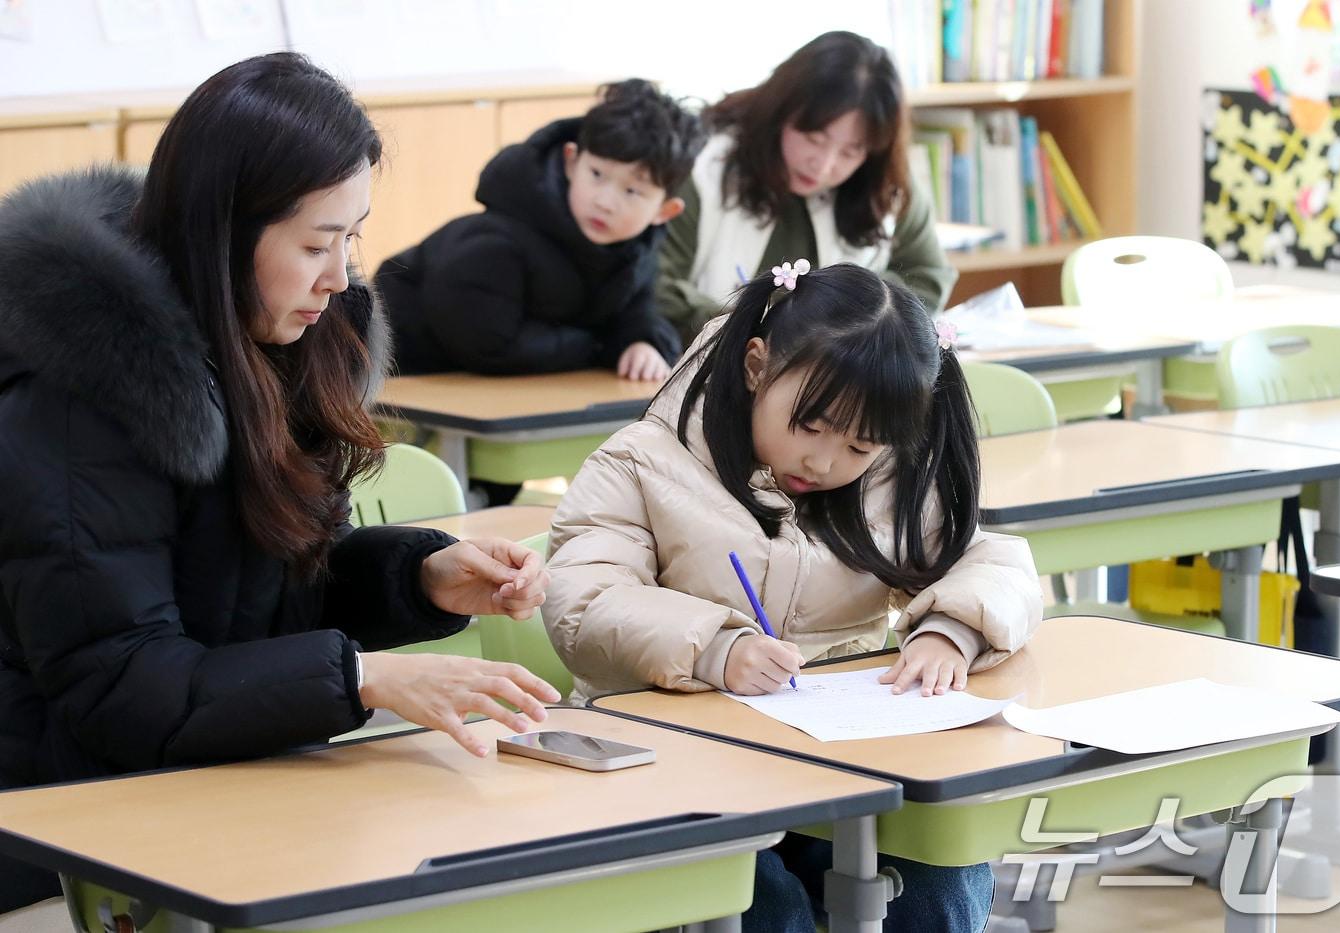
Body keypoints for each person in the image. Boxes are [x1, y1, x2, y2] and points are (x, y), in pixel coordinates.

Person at [0, 53, 559, 913]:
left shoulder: (279, 347)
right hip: (71, 836)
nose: (339, 277)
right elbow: (120, 683)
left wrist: (417, 576)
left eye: (352, 238)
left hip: (221, 791)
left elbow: (262, 593)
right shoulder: (76, 401)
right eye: (314, 243)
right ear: (223, 231)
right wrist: (360, 680)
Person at [544, 262, 1040, 931]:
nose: (825, 462)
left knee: (936, 882)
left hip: (842, 759)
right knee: (765, 905)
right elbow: (583, 597)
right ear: (756, 366)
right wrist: (717, 647)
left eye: (860, 443)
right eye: (810, 425)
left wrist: (952, 628)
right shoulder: (641, 460)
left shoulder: (888, 483)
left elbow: (994, 562)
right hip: (680, 762)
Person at [377, 78, 705, 381]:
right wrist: (601, 348)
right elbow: (490, 346)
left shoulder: (637, 250)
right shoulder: (496, 241)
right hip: (400, 373)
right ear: (571, 161)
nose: (606, 202)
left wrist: (642, 343)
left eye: (632, 191)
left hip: (486, 389)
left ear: (664, 211)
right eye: (597, 175)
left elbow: (638, 312)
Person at [656, 30, 958, 346]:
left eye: (850, 151)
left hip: (836, 382)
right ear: (780, 110)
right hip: (708, 366)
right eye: (814, 139)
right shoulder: (707, 162)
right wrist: (742, 329)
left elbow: (927, 275)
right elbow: (651, 283)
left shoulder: (883, 184)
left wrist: (855, 320)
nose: (824, 165)